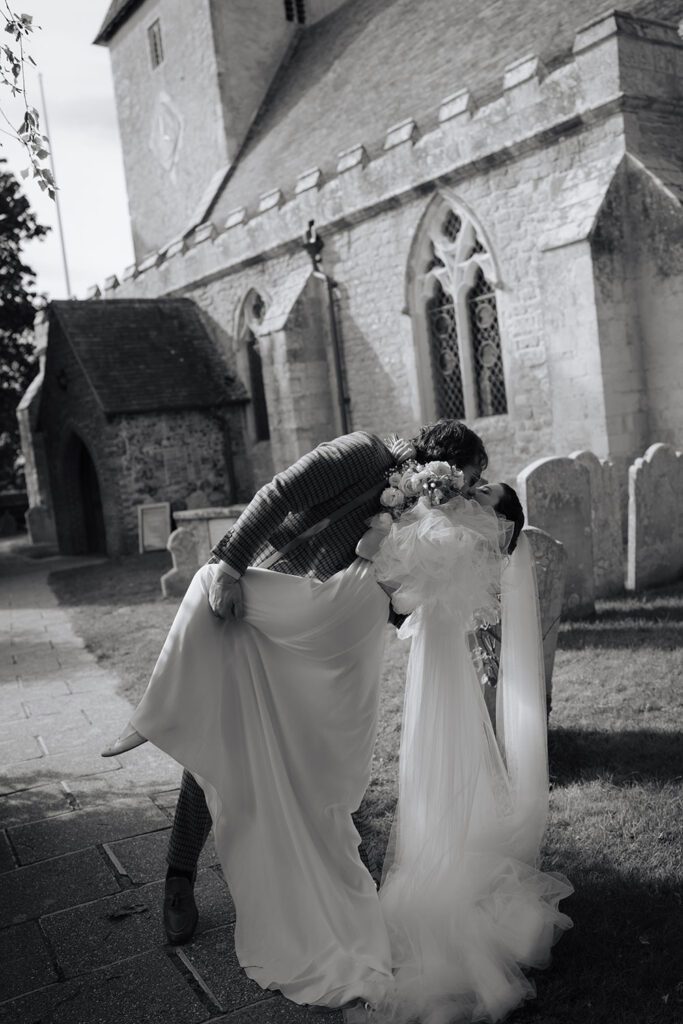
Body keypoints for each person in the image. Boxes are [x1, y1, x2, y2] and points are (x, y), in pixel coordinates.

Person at [102, 421, 489, 1011]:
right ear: (443, 463)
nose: (467, 491)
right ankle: (179, 875)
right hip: (265, 602)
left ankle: (310, 872)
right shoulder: (363, 453)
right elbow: (279, 493)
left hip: (321, 637)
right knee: (225, 734)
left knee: (299, 756)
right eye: (469, 478)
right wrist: (230, 567)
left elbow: (394, 586)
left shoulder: (420, 506)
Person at [369, 480, 573, 1024]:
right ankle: (443, 847)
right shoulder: (463, 535)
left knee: (442, 762)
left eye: (485, 491)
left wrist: (418, 508)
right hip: (439, 665)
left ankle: (443, 869)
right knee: (443, 768)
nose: (473, 489)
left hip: (439, 667)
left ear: (498, 519)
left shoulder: (465, 538)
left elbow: (396, 579)